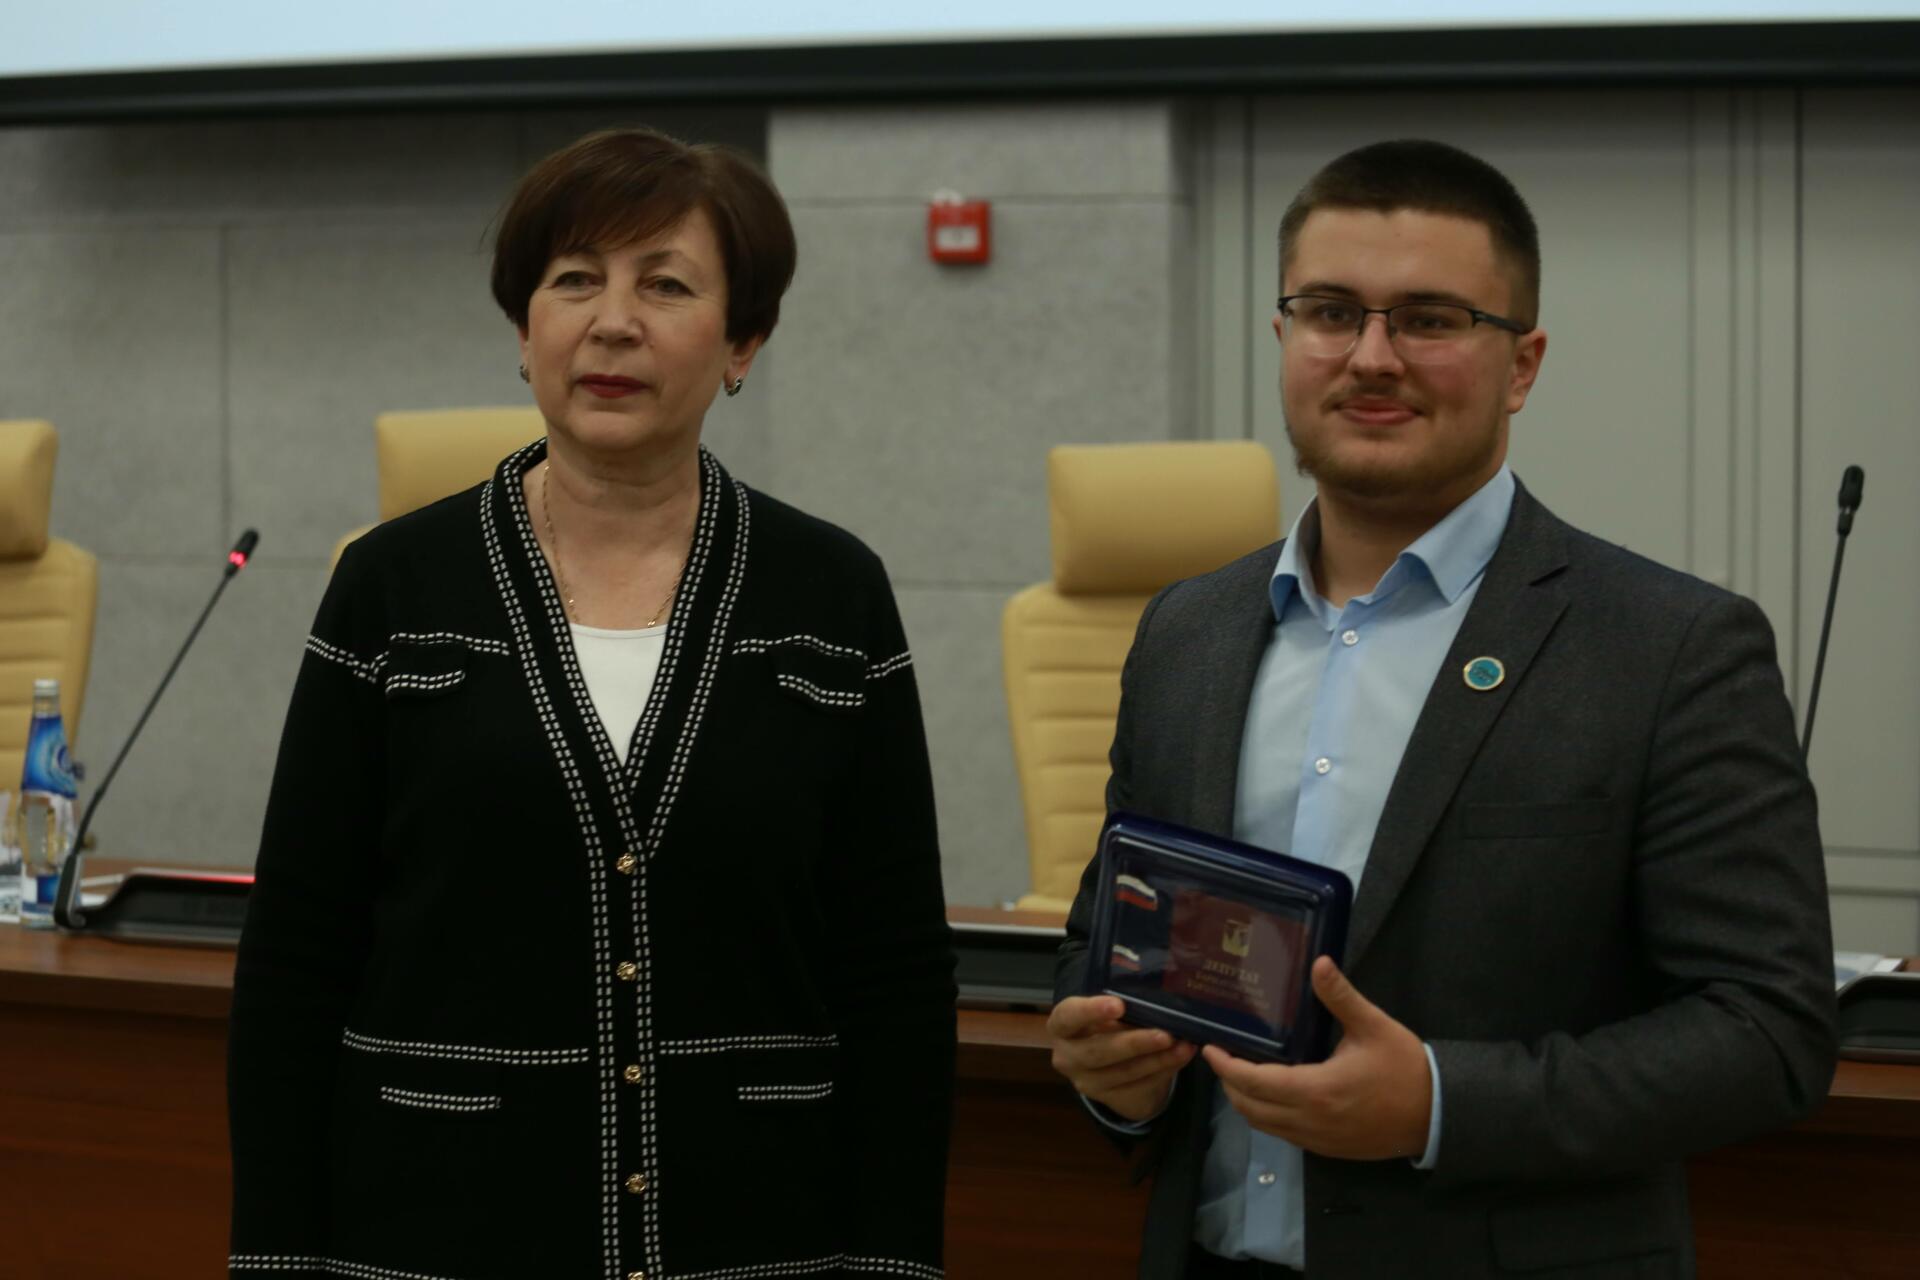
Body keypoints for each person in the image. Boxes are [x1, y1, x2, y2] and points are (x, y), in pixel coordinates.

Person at [1047, 139, 1836, 1279]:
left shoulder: (1670, 648)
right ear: (1284, 337)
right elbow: (1106, 938)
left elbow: (1768, 1028)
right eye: (1331, 312)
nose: (1371, 357)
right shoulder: (1187, 632)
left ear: (1522, 364)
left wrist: (1438, 1104)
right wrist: (1114, 1071)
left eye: (1429, 319)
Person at [228, 128, 956, 1280]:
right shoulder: (391, 586)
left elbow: (896, 969)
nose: (613, 323)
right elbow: (296, 957)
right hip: (439, 1226)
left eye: (665, 285)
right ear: (525, 333)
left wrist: (896, 1262)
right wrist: (274, 1260)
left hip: (754, 1228)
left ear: (744, 341)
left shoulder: (831, 592)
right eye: (575, 280)